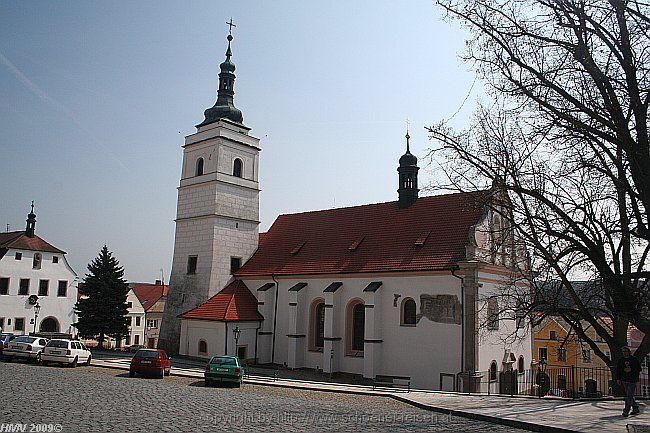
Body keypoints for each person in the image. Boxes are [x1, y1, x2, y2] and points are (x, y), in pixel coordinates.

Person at [616, 346, 642, 417]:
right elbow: (618, 370)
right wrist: (618, 378)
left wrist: (631, 370)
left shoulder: (634, 359)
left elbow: (639, 369)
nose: (624, 353)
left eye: (625, 351)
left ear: (629, 352)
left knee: (629, 395)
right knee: (629, 395)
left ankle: (626, 410)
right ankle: (635, 408)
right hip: (624, 379)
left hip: (632, 379)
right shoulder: (621, 360)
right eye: (623, 352)